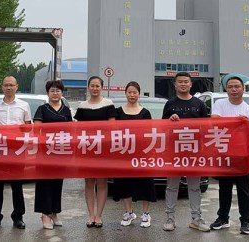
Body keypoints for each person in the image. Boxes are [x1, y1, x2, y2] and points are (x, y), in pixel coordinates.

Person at [162, 71, 210, 232]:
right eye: (180, 82)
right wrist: (170, 120)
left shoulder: (199, 104)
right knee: (172, 186)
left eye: (186, 81)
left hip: (194, 151)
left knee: (195, 187)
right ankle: (170, 219)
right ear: (175, 85)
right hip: (174, 151)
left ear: (191, 84)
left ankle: (196, 219)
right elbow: (162, 128)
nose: (183, 84)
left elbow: (206, 128)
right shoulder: (170, 104)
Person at [210, 75, 249, 235]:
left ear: (243, 89)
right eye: (230, 87)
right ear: (226, 89)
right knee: (224, 188)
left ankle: (245, 221)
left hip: (242, 157)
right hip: (224, 154)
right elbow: (215, 120)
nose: (233, 89)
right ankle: (223, 218)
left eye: (237, 86)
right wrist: (237, 122)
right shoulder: (220, 104)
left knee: (243, 190)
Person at [0, 76, 31, 230]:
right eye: (6, 85)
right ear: (2, 87)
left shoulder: (24, 105)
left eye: (11, 85)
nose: (8, 87)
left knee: (17, 185)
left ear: (16, 87)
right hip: (0, 150)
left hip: (17, 151)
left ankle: (18, 217)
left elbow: (28, 127)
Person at [112, 81, 156, 228]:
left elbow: (150, 133)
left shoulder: (145, 112)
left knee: (145, 183)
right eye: (129, 92)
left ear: (139, 94)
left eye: (134, 92)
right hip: (123, 154)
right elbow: (112, 132)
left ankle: (146, 214)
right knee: (125, 183)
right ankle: (128, 212)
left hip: (142, 154)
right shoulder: (118, 112)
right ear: (125, 93)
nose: (132, 95)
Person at [74, 75, 116, 228]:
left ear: (102, 87)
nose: (95, 88)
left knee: (101, 181)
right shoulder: (82, 105)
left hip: (103, 148)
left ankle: (99, 216)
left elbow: (112, 126)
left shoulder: (108, 104)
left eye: (97, 86)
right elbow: (77, 128)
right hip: (87, 148)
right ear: (88, 87)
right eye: (92, 86)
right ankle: (91, 215)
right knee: (89, 182)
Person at [33, 80, 72, 229]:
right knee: (45, 184)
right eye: (52, 91)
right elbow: (37, 129)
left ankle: (55, 212)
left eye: (58, 91)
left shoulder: (66, 110)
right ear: (48, 93)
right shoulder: (42, 109)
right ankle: (45, 214)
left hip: (61, 152)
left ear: (62, 93)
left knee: (57, 183)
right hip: (45, 152)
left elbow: (71, 130)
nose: (55, 93)